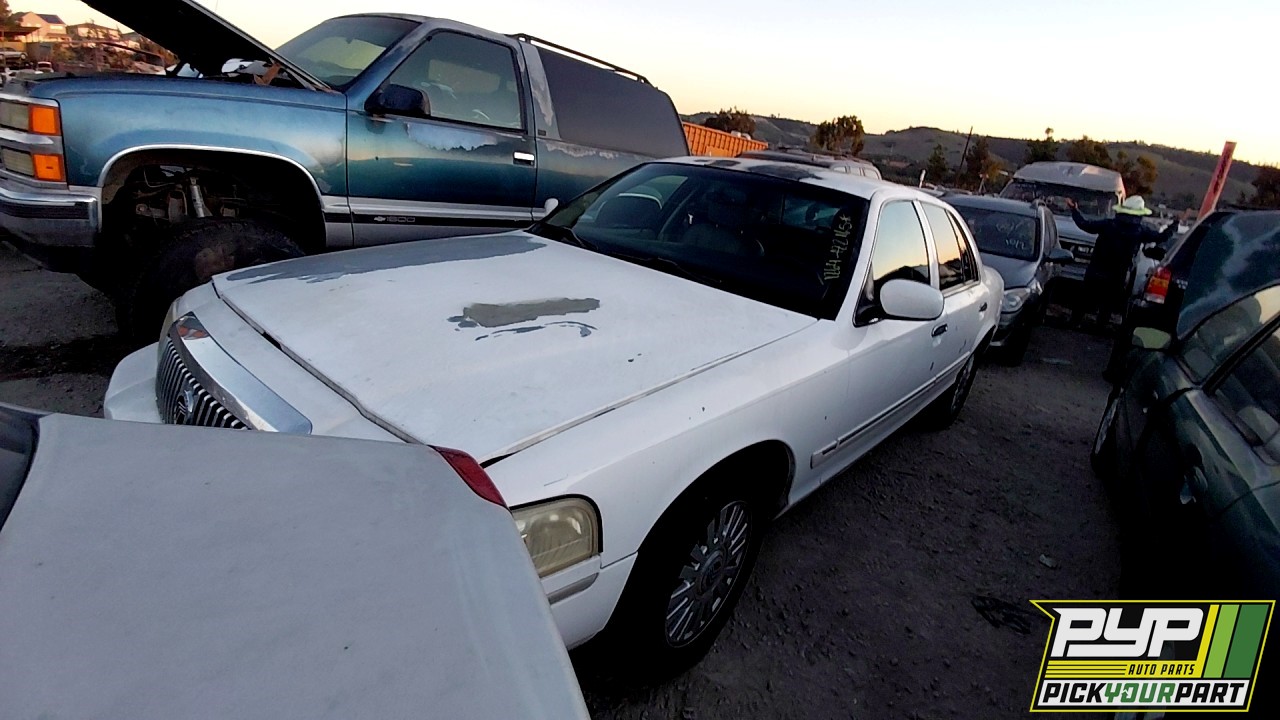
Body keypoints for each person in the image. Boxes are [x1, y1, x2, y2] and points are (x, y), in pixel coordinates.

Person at [1066, 195, 1179, 330]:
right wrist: (1174, 224)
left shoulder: (1108, 225)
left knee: (1086, 297)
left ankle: (1075, 321)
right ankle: (1100, 325)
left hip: (1097, 269)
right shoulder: (1141, 231)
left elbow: (1085, 224)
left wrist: (1074, 210)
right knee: (1108, 302)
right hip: (1118, 274)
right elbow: (1161, 237)